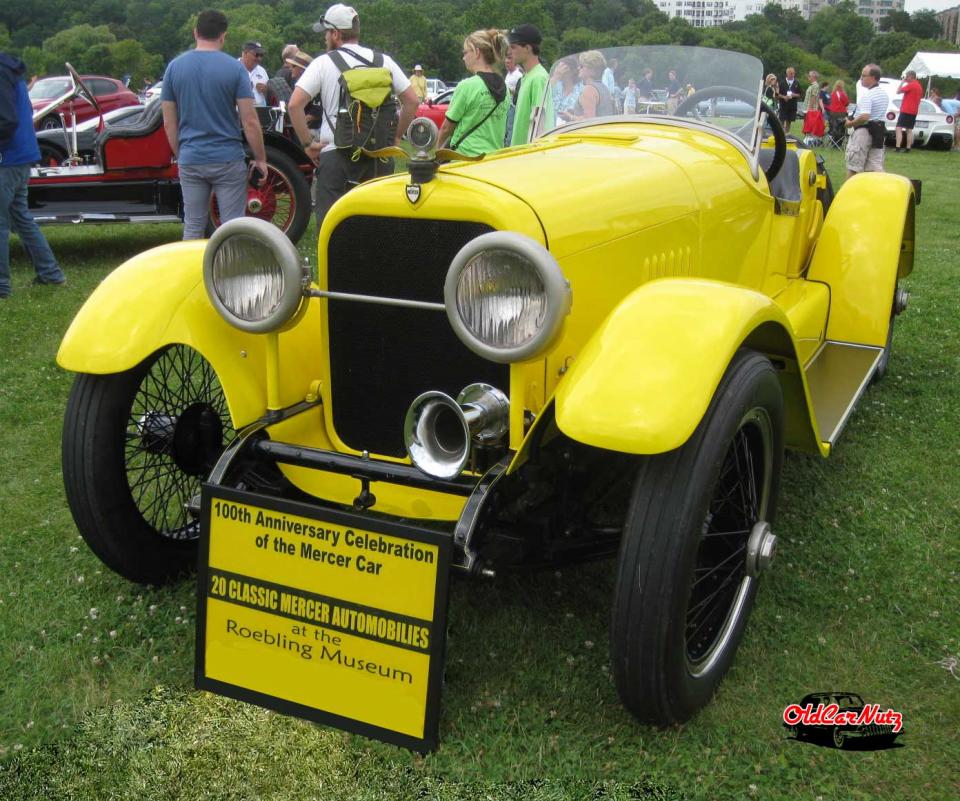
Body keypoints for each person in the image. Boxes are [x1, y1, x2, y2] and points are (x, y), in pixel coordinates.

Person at [288, 4, 418, 224]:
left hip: (336, 155)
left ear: (336, 34)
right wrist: (396, 137)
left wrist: (308, 144)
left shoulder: (323, 63)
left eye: (327, 33)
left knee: (332, 225)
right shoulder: (384, 61)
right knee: (378, 225)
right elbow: (412, 101)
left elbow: (294, 105)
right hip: (379, 155)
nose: (325, 38)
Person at [161, 9, 267, 240]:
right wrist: (260, 159)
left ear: (195, 32)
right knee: (232, 228)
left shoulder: (174, 68)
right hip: (227, 158)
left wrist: (182, 153)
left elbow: (169, 122)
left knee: (193, 226)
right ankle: (229, 274)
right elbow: (249, 120)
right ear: (223, 36)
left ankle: (193, 275)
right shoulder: (235, 68)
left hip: (191, 156)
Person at [0, 51, 67, 298]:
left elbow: (6, 121)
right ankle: (50, 274)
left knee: (3, 223)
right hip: (22, 156)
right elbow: (24, 111)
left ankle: (2, 287)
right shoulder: (11, 70)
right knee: (21, 218)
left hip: (7, 159)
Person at [438, 29, 509, 156]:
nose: (463, 57)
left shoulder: (467, 86)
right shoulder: (505, 88)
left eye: (465, 52)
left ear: (477, 52)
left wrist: (438, 150)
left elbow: (446, 128)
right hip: (493, 157)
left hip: (465, 158)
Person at [508, 24, 550, 146]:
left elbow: (539, 124)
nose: (510, 52)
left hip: (529, 157)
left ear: (527, 48)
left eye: (513, 47)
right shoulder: (528, 76)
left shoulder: (538, 78)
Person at [844, 63, 887, 178]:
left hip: (864, 132)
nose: (861, 78)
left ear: (873, 78)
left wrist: (850, 123)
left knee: (854, 167)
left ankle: (849, 193)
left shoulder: (867, 95)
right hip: (878, 133)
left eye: (864, 75)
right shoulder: (883, 94)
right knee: (874, 169)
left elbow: (864, 117)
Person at [559, 50, 614, 122]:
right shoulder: (604, 88)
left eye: (582, 66)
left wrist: (570, 117)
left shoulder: (589, 89)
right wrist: (575, 111)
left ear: (591, 70)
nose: (578, 68)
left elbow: (589, 120)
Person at [895, 70, 923, 153]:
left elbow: (898, 91)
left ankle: (898, 147)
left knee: (898, 128)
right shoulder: (919, 86)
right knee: (909, 129)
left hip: (906, 109)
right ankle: (908, 147)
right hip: (914, 111)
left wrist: (902, 82)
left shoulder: (911, 85)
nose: (906, 78)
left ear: (911, 76)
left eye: (907, 76)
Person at [550, 56, 582, 125]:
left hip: (571, 129)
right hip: (552, 130)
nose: (560, 71)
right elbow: (544, 95)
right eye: (558, 68)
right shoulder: (556, 85)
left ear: (572, 71)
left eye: (564, 68)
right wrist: (555, 77)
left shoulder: (581, 90)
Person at [239, 41, 269, 106]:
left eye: (261, 55)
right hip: (237, 112)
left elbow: (268, 94)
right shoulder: (233, 68)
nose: (259, 58)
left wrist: (266, 90)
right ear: (245, 53)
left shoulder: (262, 71)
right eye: (256, 55)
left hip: (259, 112)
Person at [778, 66, 800, 134]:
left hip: (792, 106)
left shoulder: (797, 82)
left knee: (789, 121)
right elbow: (777, 94)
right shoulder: (782, 82)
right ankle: (780, 134)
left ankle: (786, 134)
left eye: (793, 73)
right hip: (783, 105)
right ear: (787, 73)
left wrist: (794, 95)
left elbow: (799, 94)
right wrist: (784, 97)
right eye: (791, 73)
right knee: (781, 121)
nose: (792, 75)